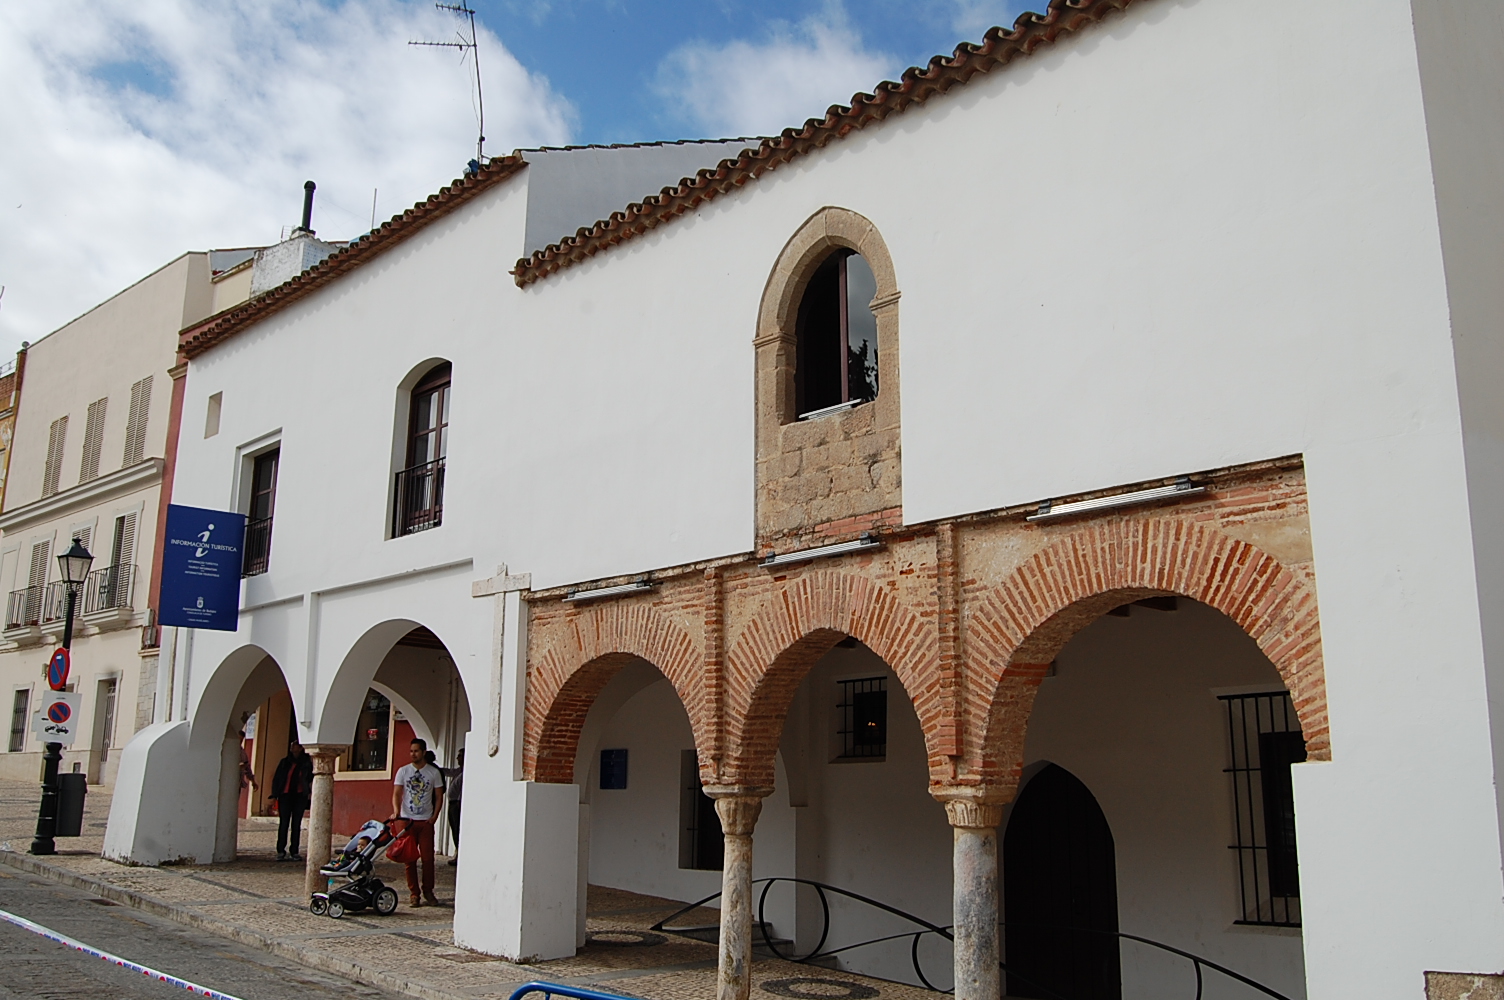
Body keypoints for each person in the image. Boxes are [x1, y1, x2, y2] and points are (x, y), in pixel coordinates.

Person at [390, 738, 444, 907]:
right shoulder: (403, 771)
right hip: (408, 821)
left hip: (425, 821)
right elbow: (397, 793)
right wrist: (397, 811)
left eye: (416, 751)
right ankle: (414, 893)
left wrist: (434, 816)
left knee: (427, 859)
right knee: (409, 858)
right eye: (411, 751)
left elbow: (439, 796)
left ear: (423, 752)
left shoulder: (433, 773)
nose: (413, 754)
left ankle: (428, 890)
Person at [270, 741, 313, 862]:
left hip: (299, 795)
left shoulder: (306, 763)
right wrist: (275, 794)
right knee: (284, 823)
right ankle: (280, 850)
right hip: (285, 795)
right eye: (292, 746)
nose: (293, 748)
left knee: (296, 824)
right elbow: (278, 778)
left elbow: (309, 776)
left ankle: (294, 851)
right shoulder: (285, 762)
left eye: (295, 746)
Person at [441, 748, 464, 866]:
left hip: (457, 804)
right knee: (454, 829)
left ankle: (459, 853)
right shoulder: (459, 771)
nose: (457, 758)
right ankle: (457, 852)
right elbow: (448, 772)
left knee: (457, 829)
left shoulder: (466, 772)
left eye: (459, 756)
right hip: (453, 803)